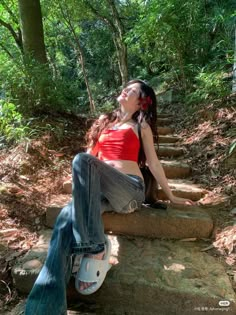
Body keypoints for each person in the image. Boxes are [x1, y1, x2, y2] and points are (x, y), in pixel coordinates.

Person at [25, 79, 194, 315]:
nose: (126, 89)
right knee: (65, 216)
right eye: (127, 87)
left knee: (81, 161)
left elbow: (154, 163)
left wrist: (171, 196)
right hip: (100, 190)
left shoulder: (140, 125)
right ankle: (43, 309)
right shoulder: (105, 124)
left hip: (128, 190)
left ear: (142, 101)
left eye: (133, 90)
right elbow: (89, 159)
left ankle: (93, 245)